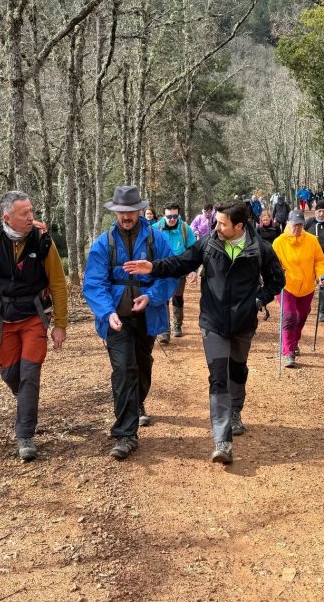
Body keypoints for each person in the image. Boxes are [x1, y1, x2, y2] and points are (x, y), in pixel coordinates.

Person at [123, 201, 285, 464]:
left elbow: (277, 281)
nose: (216, 226)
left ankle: (235, 411)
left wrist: (258, 300)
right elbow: (181, 263)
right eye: (216, 222)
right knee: (218, 377)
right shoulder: (208, 244)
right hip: (213, 321)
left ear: (239, 226)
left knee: (237, 369)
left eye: (222, 223)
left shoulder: (261, 250)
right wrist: (152, 266)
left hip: (243, 323)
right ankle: (222, 441)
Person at [0, 191, 69, 461]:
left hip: (36, 316)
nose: (31, 217)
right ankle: (26, 397)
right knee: (10, 374)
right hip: (4, 319)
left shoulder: (43, 239)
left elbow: (59, 283)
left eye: (32, 211)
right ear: (7, 218)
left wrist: (60, 323)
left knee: (29, 373)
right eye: (24, 213)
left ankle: (25, 435)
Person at [83, 186, 178, 460]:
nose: (126, 216)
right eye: (121, 211)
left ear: (138, 211)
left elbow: (170, 274)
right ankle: (125, 434)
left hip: (146, 317)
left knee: (142, 365)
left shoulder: (156, 239)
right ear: (115, 212)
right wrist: (106, 312)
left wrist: (151, 296)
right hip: (117, 320)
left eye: (131, 211)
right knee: (124, 370)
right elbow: (94, 283)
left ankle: (136, 403)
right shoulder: (104, 243)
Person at [271, 210, 324, 368]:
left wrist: (321, 275)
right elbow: (272, 263)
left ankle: (294, 342)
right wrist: (276, 272)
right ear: (288, 223)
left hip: (307, 286)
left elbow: (319, 261)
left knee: (301, 316)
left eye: (300, 224)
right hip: (286, 286)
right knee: (289, 316)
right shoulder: (279, 242)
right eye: (295, 224)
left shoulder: (311, 241)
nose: (297, 227)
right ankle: (288, 352)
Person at [152, 203, 197, 343]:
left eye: (175, 216)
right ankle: (165, 330)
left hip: (179, 269)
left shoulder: (185, 228)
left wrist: (193, 270)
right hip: (161, 269)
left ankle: (177, 325)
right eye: (169, 216)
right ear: (163, 215)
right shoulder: (154, 229)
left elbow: (194, 251)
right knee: (163, 299)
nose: (172, 219)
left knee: (177, 297)